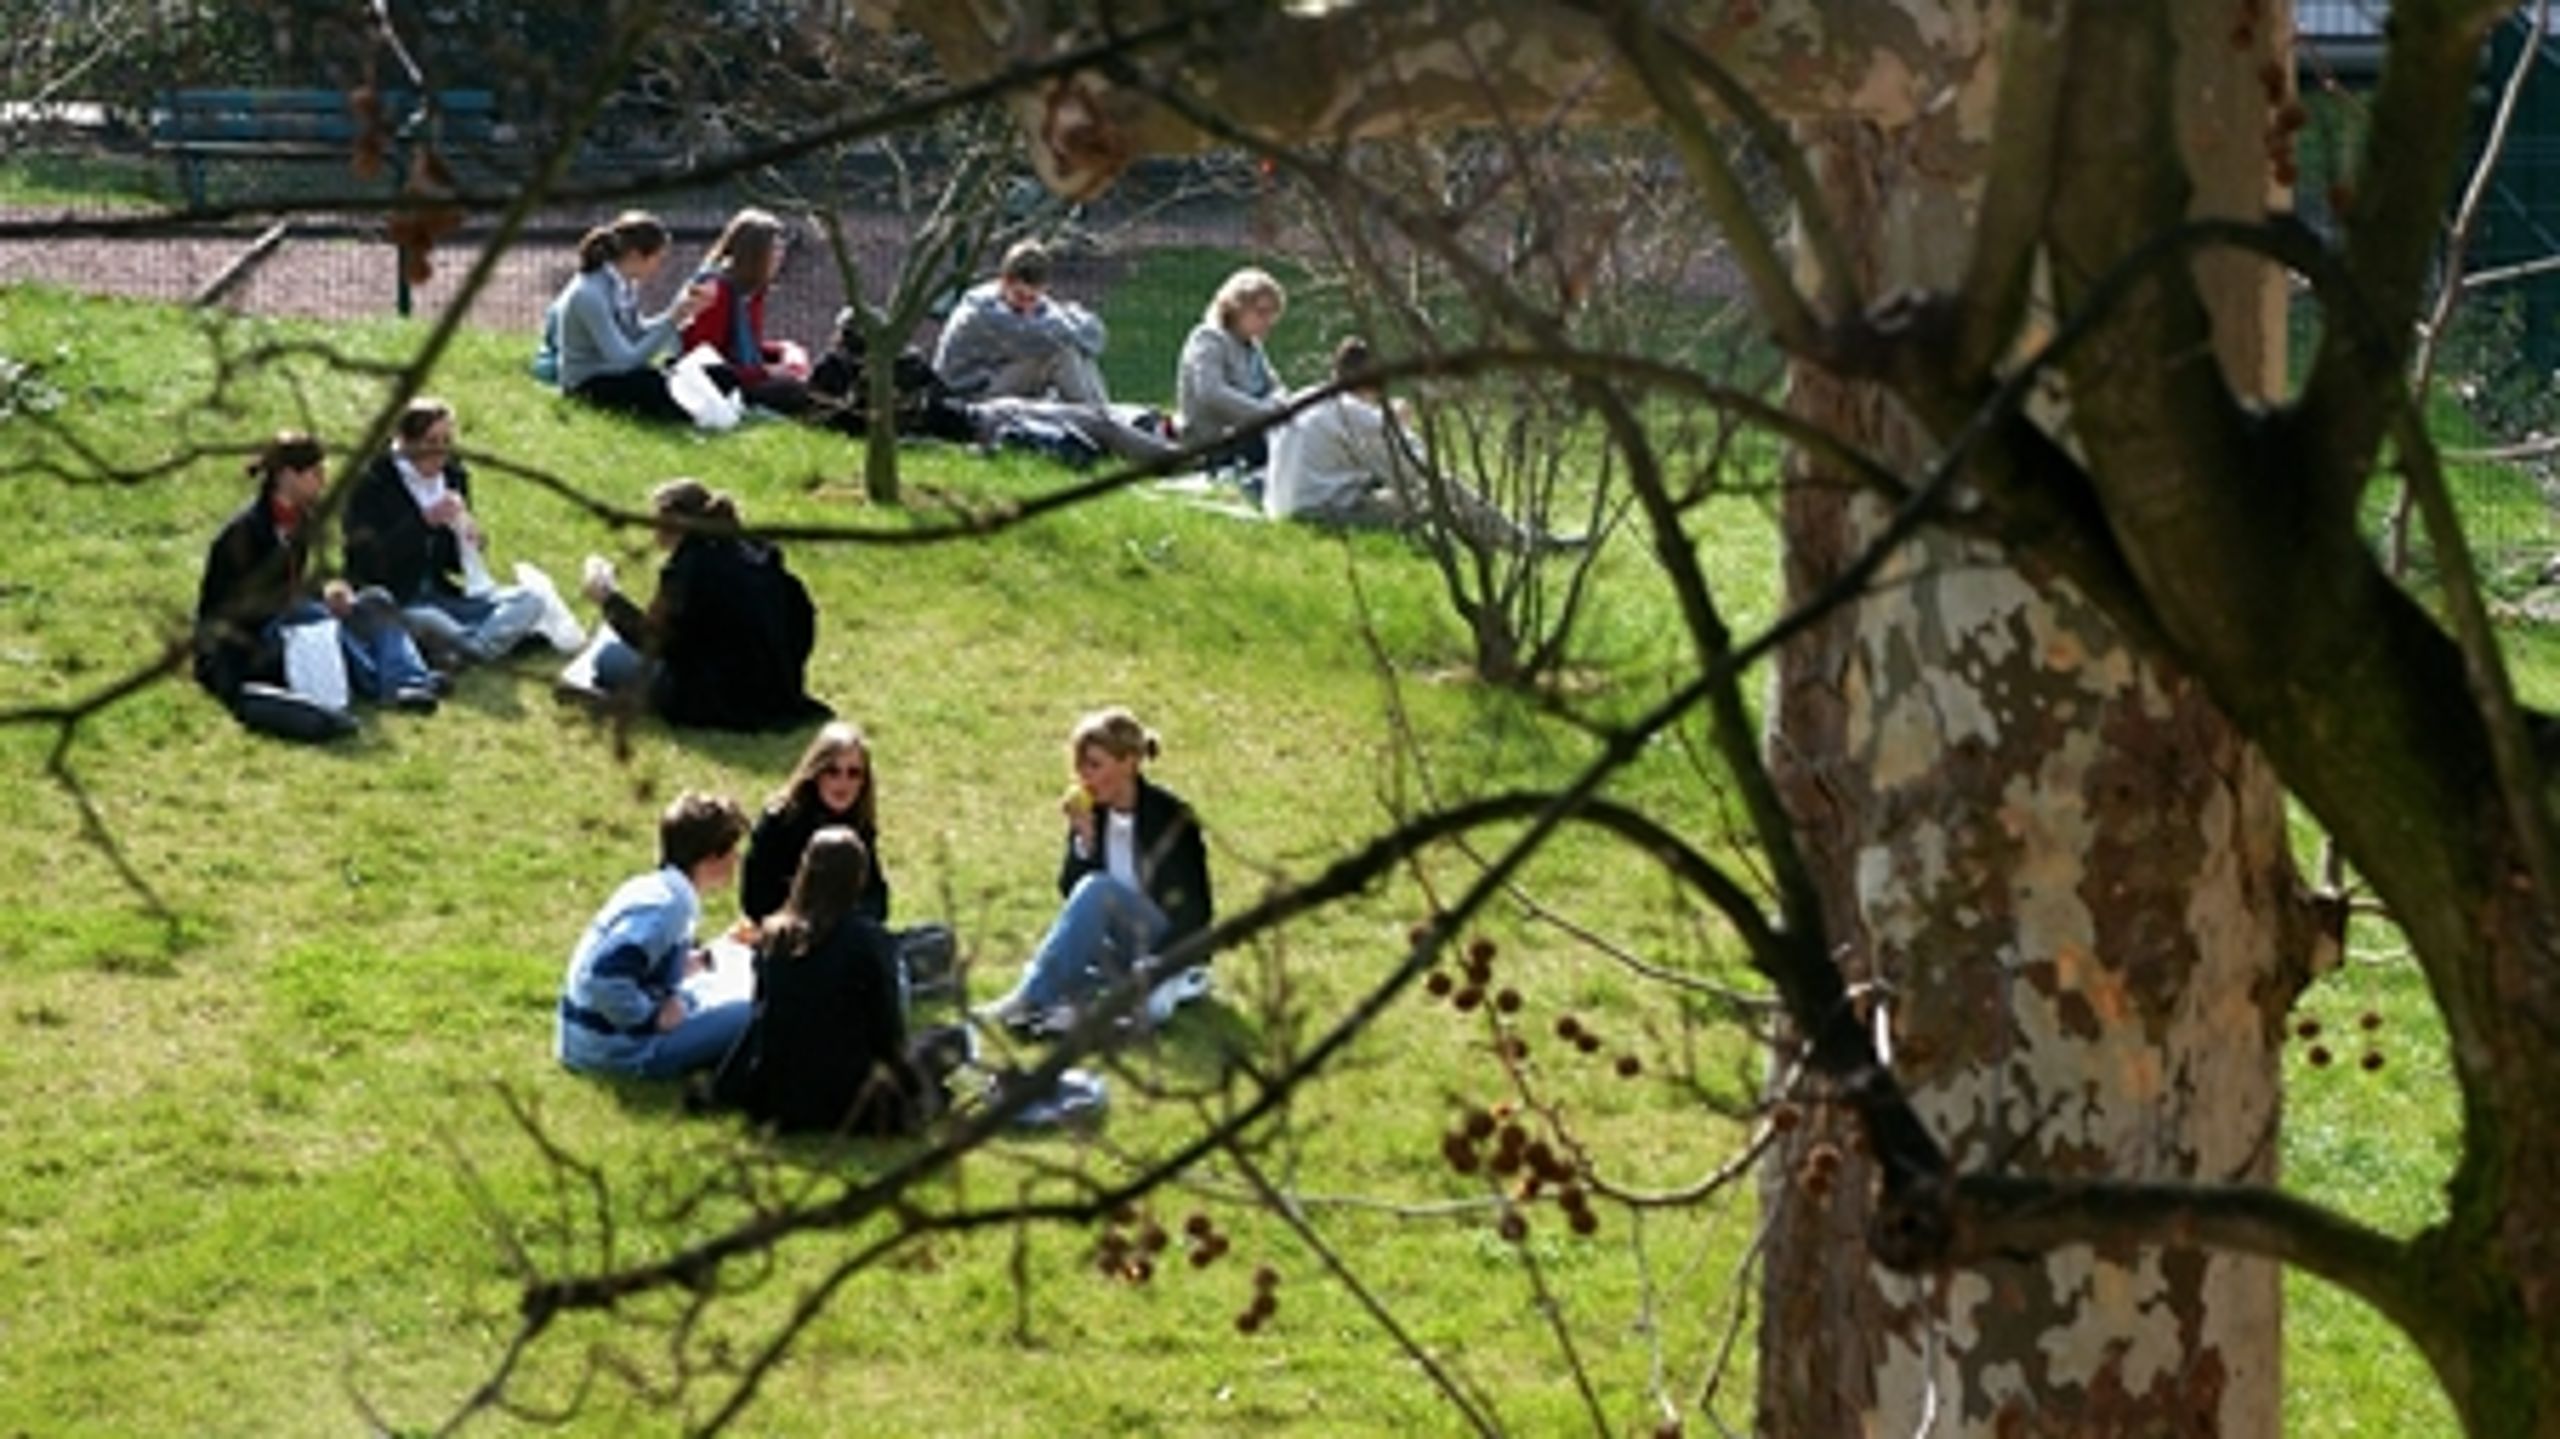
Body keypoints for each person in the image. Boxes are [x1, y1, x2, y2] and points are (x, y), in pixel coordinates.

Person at [709, 827, 971, 1135]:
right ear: (859, 878)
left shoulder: (775, 938)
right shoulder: (869, 942)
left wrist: (728, 1084)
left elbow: (761, 1019)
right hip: (852, 1103)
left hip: (781, 1100)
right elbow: (887, 1033)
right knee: (952, 1039)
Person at [978, 707, 1214, 1036]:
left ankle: (1031, 999)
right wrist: (1084, 841)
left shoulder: (1170, 816)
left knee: (1099, 890)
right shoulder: (1093, 813)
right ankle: (1046, 998)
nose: (1084, 777)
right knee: (1066, 944)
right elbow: (1071, 896)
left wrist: (1158, 962)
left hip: (1164, 942)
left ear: (1129, 763)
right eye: (1080, 766)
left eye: (1095, 765)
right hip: (1119, 945)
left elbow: (1196, 911)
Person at [195, 430, 443, 738]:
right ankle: (383, 683)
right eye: (315, 473)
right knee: (316, 619)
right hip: (250, 642)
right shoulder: (244, 532)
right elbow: (240, 608)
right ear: (288, 476)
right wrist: (309, 601)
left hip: (292, 619)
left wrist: (329, 589)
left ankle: (410, 679)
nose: (322, 481)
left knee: (375, 600)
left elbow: (299, 580)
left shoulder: (303, 519)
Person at [1268, 338, 1581, 553]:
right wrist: (1398, 425)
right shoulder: (1357, 415)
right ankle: (1522, 542)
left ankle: (1504, 534)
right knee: (1444, 489)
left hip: (1283, 504)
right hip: (1319, 512)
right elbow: (1414, 469)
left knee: (1427, 496)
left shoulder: (1309, 396)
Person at [570, 478, 832, 733]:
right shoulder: (755, 550)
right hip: (775, 691)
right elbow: (801, 617)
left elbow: (653, 641)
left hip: (713, 697)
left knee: (607, 657)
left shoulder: (688, 569)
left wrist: (607, 597)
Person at [556, 791, 757, 1080]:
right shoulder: (667, 909)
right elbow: (603, 977)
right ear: (713, 856)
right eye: (733, 850)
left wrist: (707, 957)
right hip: (617, 1052)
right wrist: (652, 1018)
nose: (737, 858)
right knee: (755, 1010)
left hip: (587, 1041)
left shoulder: (656, 889)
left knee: (729, 968)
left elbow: (646, 964)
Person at [344, 397, 548, 666]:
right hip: (398, 601)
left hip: (442, 596)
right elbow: (365, 562)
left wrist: (469, 539)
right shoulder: (372, 482)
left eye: (445, 442)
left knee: (529, 600)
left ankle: (466, 648)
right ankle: (482, 645)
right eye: (430, 442)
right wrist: (422, 522)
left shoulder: (453, 477)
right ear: (404, 441)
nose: (439, 453)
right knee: (430, 620)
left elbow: (451, 563)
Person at [534, 210, 712, 424]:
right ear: (636, 256)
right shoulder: (588, 293)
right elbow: (624, 361)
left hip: (616, 373)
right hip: (586, 384)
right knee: (654, 384)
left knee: (700, 373)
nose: (660, 266)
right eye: (657, 258)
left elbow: (636, 333)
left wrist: (680, 313)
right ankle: (698, 418)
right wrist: (671, 320)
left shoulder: (625, 283)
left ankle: (709, 412)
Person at [741, 722, 890, 927]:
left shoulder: (859, 822)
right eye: (832, 771)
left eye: (854, 773)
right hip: (788, 936)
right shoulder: (781, 820)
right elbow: (756, 902)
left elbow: (876, 897)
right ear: (815, 772)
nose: (843, 782)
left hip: (845, 935)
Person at [933, 239, 1112, 406]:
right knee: (1059, 353)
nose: (1026, 305)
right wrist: (1073, 325)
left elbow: (1096, 334)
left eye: (1032, 298)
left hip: (997, 379)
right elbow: (1053, 335)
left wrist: (1073, 328)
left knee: (1074, 349)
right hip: (966, 396)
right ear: (1004, 282)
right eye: (1020, 296)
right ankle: (1103, 421)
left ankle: (1105, 416)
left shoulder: (1035, 304)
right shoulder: (983, 312)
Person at [680, 207, 813, 415]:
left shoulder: (751, 291)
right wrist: (766, 372)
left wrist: (785, 350)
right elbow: (707, 365)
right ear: (754, 255)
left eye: (781, 250)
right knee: (796, 391)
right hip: (714, 385)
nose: (780, 258)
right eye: (774, 251)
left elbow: (744, 346)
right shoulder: (716, 292)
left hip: (741, 375)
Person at [1175, 266, 1290, 470]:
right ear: (1236, 307)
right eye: (1261, 312)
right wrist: (1263, 413)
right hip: (1213, 441)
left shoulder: (1252, 345)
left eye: (1272, 314)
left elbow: (1276, 385)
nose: (1269, 321)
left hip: (1252, 432)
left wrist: (1278, 404)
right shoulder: (1209, 339)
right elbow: (1211, 393)